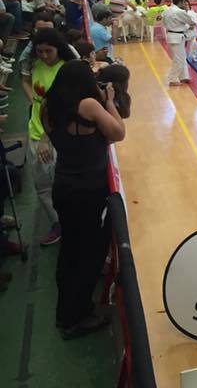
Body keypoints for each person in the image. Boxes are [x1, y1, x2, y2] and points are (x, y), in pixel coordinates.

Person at [42, 60, 125, 338]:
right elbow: (117, 133)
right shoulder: (88, 105)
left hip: (64, 185)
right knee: (88, 256)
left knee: (70, 254)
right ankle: (77, 318)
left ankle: (64, 313)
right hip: (88, 192)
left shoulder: (48, 108)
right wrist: (110, 101)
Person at [25, 28, 73, 247]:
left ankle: (69, 224)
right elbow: (24, 79)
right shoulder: (35, 65)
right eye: (39, 51)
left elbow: (63, 110)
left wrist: (46, 137)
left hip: (54, 138)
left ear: (58, 49)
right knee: (43, 187)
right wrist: (32, 100)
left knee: (60, 185)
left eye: (48, 51)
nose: (44, 55)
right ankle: (59, 224)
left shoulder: (66, 71)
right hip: (34, 132)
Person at [163, 0, 196, 86]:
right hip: (177, 37)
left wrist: (185, 27)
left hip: (171, 35)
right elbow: (191, 22)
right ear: (180, 2)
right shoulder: (179, 12)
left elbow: (164, 23)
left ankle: (184, 76)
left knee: (181, 57)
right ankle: (172, 79)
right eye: (184, 1)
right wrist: (186, 13)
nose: (185, 3)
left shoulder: (166, 10)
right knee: (179, 59)